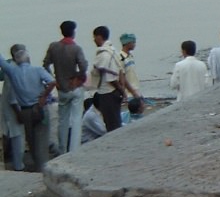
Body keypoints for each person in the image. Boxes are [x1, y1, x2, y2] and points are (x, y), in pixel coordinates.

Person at [0, 44, 56, 171]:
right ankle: (43, 169)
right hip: (39, 108)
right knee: (42, 141)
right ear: (28, 57)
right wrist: (44, 96)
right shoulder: (37, 70)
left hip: (25, 111)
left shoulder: (12, 72)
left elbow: (2, 62)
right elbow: (52, 82)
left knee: (32, 143)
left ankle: (37, 166)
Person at [42, 20, 89, 154]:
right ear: (73, 32)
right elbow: (84, 66)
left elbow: (45, 65)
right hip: (73, 87)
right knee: (76, 119)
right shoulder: (76, 48)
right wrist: (78, 78)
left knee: (62, 121)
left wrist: (53, 80)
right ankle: (74, 149)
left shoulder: (53, 47)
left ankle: (62, 149)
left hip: (61, 88)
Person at [90, 26, 126, 132]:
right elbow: (121, 71)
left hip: (107, 93)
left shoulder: (105, 55)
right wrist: (122, 89)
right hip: (114, 92)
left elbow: (111, 78)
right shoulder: (113, 51)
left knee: (112, 124)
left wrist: (121, 90)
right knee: (115, 120)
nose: (94, 40)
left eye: (95, 37)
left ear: (99, 37)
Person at [118, 33, 145, 113]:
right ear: (127, 43)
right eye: (133, 42)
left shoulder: (130, 56)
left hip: (136, 90)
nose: (135, 44)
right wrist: (133, 92)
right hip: (129, 93)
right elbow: (122, 77)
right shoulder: (120, 57)